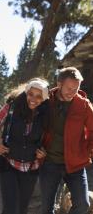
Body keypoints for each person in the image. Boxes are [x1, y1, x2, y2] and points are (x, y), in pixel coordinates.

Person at [40, 67, 93, 214]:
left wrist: (87, 150)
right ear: (59, 83)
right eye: (69, 88)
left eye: (76, 89)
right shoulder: (46, 100)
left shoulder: (83, 104)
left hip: (75, 164)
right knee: (46, 208)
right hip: (49, 162)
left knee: (83, 204)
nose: (73, 92)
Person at [0, 78, 49, 214]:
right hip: (7, 163)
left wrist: (44, 151)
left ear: (44, 99)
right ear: (26, 92)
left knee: (22, 209)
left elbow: (47, 138)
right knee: (10, 209)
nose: (33, 99)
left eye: (39, 96)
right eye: (31, 94)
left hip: (31, 167)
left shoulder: (46, 113)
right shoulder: (11, 107)